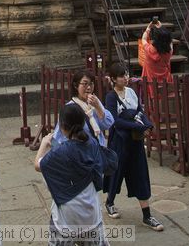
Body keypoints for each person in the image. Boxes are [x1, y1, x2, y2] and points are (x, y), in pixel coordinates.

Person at [35, 102, 117, 246]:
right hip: (91, 214)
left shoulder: (60, 152)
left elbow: (38, 165)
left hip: (66, 219)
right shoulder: (92, 143)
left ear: (62, 127)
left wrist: (43, 144)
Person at [103, 63, 164, 230]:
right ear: (114, 79)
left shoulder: (131, 92)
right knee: (117, 171)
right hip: (120, 141)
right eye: (122, 75)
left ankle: (147, 215)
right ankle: (110, 201)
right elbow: (114, 120)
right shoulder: (111, 96)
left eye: (126, 74)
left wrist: (147, 124)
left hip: (135, 141)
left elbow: (139, 111)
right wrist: (138, 127)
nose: (126, 78)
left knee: (140, 174)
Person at [52, 70, 114, 147]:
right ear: (76, 86)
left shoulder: (95, 102)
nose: (89, 87)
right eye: (85, 84)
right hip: (81, 154)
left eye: (91, 83)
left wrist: (98, 107)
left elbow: (108, 123)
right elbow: (59, 138)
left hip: (98, 150)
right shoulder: (70, 108)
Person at [140, 21, 173, 86]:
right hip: (165, 83)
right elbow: (170, 42)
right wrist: (161, 29)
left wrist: (148, 29)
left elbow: (143, 39)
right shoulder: (168, 52)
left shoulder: (149, 49)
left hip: (150, 83)